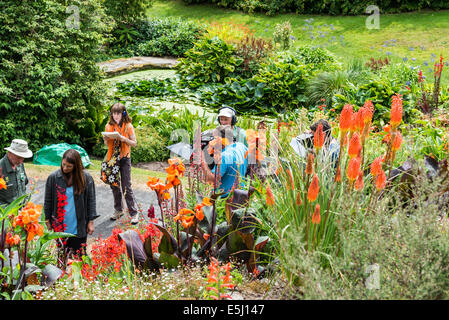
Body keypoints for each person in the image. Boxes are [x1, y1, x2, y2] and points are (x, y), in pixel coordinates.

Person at [44, 149, 98, 256]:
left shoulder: (86, 178)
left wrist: (91, 221)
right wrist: (47, 219)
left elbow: (91, 201)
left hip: (78, 225)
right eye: (63, 164)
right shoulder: (53, 178)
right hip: (61, 225)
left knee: (79, 256)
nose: (65, 168)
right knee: (63, 256)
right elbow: (48, 200)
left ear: (76, 166)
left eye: (69, 166)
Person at [103, 102, 139, 224]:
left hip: (124, 158)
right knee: (114, 184)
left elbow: (134, 143)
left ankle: (134, 213)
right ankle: (118, 210)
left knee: (126, 186)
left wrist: (124, 139)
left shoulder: (128, 126)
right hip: (112, 158)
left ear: (123, 113)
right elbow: (106, 144)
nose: (116, 116)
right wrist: (105, 139)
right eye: (114, 113)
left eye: (118, 113)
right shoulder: (108, 126)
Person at [201, 125, 248, 196]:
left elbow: (212, 180)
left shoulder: (224, 156)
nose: (212, 141)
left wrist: (202, 161)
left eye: (214, 139)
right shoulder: (242, 147)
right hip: (241, 195)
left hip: (224, 199)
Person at [0, 139, 33, 207]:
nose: (21, 161)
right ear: (9, 153)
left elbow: (23, 186)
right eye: (18, 158)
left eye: (23, 158)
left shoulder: (20, 165)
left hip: (22, 210)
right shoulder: (1, 167)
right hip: (6, 214)